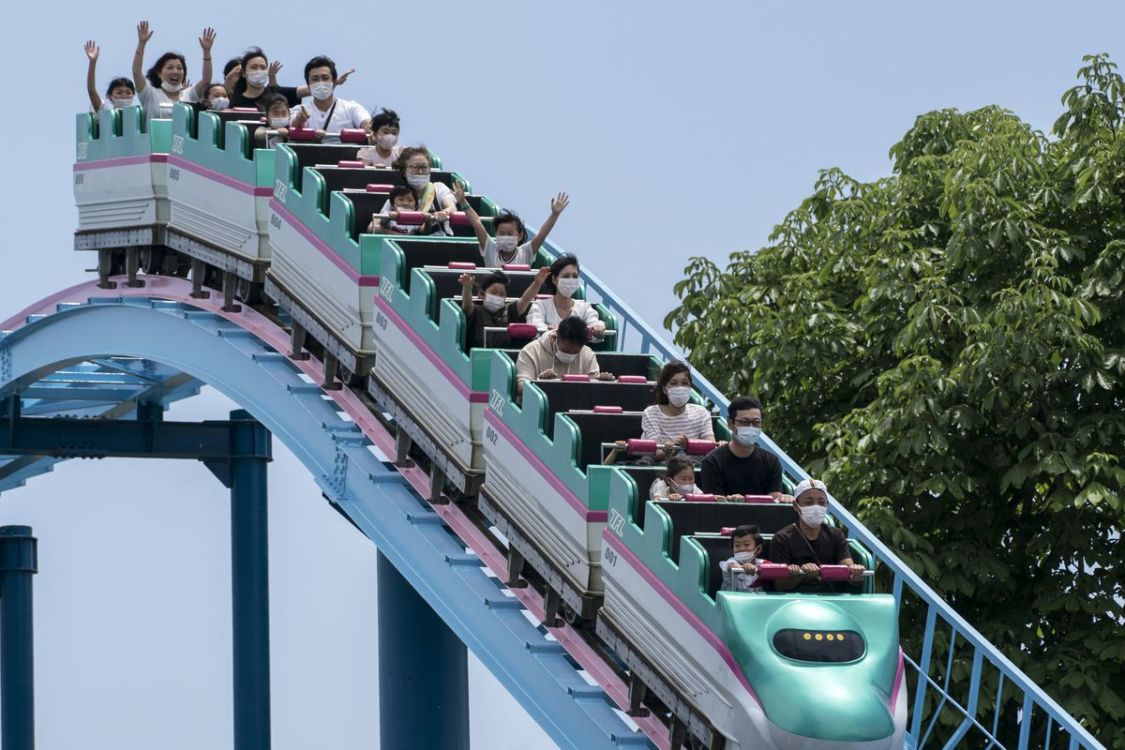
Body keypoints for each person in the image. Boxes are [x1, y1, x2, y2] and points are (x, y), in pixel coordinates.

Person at [769, 479, 866, 592]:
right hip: (794, 600)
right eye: (809, 502)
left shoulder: (836, 535)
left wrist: (857, 573)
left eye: (821, 502)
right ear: (796, 506)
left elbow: (850, 573)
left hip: (828, 599)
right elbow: (779, 584)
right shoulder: (782, 538)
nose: (816, 507)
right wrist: (800, 573)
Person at [452, 184, 569, 267]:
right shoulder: (490, 249)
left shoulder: (526, 252)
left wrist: (555, 214)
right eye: (501, 233)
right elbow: (477, 224)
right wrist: (463, 202)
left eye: (510, 233)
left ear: (519, 235)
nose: (505, 236)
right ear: (496, 234)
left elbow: (542, 234)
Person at [699, 396, 789, 500]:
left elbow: (775, 501)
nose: (751, 427)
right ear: (730, 424)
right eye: (744, 422)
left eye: (756, 422)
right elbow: (715, 506)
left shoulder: (771, 461)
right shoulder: (712, 462)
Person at [132, 21, 216, 120]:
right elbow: (136, 72)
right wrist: (142, 43)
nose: (175, 72)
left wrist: (207, 51)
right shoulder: (150, 94)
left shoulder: (189, 95)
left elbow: (206, 80)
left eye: (180, 68)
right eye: (170, 68)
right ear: (159, 73)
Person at [225, 47, 354, 110]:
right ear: (243, 72)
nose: (259, 71)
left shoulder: (276, 93)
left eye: (262, 67)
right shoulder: (235, 99)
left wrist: (334, 82)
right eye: (254, 67)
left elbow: (312, 88)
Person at [515, 316, 613, 397]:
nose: (570, 354)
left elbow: (592, 392)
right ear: (554, 338)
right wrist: (539, 383)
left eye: (575, 352)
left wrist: (601, 382)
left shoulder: (588, 355)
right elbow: (520, 387)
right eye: (566, 350)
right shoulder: (530, 351)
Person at [640, 362, 715, 460]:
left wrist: (688, 445)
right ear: (665, 389)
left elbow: (711, 447)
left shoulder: (701, 412)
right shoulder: (651, 413)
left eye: (684, 383)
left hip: (693, 469)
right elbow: (656, 453)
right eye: (674, 383)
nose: (680, 387)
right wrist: (675, 448)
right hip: (663, 471)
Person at [459, 267, 548, 348]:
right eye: (493, 293)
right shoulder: (475, 311)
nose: (498, 296)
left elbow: (525, 299)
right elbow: (467, 304)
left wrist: (537, 283)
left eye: (502, 294)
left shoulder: (509, 311)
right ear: (482, 294)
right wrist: (467, 287)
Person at [290, 55, 370, 143]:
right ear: (308, 85)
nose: (320, 82)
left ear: (334, 81)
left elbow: (367, 123)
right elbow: (293, 127)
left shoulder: (351, 108)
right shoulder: (299, 110)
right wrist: (300, 120)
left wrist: (371, 129)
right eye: (315, 79)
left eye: (325, 78)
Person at [379, 147, 457, 235]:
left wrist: (444, 212)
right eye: (415, 167)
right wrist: (404, 237)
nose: (420, 171)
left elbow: (452, 208)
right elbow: (374, 226)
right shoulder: (399, 196)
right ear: (404, 171)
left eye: (424, 167)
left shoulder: (438, 188)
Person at [526, 255, 606, 336]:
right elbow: (536, 327)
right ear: (554, 279)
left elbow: (594, 324)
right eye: (566, 276)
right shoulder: (540, 305)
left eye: (575, 276)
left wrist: (598, 327)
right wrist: (550, 332)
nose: (571, 280)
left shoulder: (584, 308)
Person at [84, 40, 135, 111]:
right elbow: (91, 90)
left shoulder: (139, 115)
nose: (124, 96)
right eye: (119, 93)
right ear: (110, 96)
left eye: (128, 92)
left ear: (133, 95)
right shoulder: (105, 111)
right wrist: (92, 62)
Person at [367, 186, 434, 234]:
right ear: (392, 204)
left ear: (415, 206)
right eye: (401, 200)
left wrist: (427, 221)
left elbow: (425, 231)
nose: (405, 203)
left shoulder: (417, 217)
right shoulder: (388, 213)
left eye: (410, 200)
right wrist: (389, 218)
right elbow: (381, 223)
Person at [719, 525, 765, 593]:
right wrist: (743, 567)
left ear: (758, 549)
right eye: (737, 545)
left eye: (746, 544)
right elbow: (731, 566)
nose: (741, 549)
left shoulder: (762, 564)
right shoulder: (731, 561)